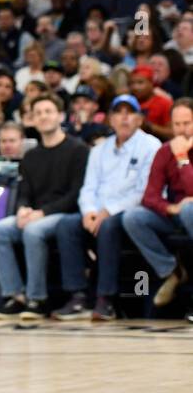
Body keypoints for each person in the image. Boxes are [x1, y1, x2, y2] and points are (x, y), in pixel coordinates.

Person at [53, 95, 161, 321]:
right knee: (66, 225)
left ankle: (106, 298)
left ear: (139, 119)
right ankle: (78, 295)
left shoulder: (151, 145)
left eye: (129, 112)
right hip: (97, 212)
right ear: (110, 119)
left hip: (130, 212)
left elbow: (144, 192)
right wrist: (88, 212)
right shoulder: (99, 150)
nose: (124, 118)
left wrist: (107, 211)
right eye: (118, 112)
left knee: (108, 226)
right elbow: (88, 187)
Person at [0, 94, 90, 320]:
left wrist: (41, 213)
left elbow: (77, 194)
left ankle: (37, 299)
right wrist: (23, 209)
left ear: (60, 116)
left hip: (65, 214)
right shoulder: (31, 156)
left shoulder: (78, 150)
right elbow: (25, 193)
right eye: (38, 113)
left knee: (33, 231)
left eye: (48, 111)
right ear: (31, 119)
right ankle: (15, 295)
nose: (43, 117)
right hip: (36, 214)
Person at [122, 98, 193, 321]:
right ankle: (172, 271)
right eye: (177, 124)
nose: (182, 130)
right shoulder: (164, 151)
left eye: (187, 123)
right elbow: (150, 196)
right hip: (176, 214)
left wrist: (182, 158)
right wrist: (170, 208)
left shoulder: (177, 152)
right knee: (133, 217)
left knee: (190, 209)